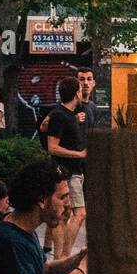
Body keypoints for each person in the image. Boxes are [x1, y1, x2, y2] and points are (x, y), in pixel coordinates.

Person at [45, 76, 88, 260]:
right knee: (79, 213)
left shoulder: (70, 116)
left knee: (65, 215)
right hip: (67, 173)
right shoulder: (59, 115)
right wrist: (79, 154)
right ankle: (65, 256)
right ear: (76, 93)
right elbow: (52, 147)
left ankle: (60, 258)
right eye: (80, 87)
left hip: (74, 171)